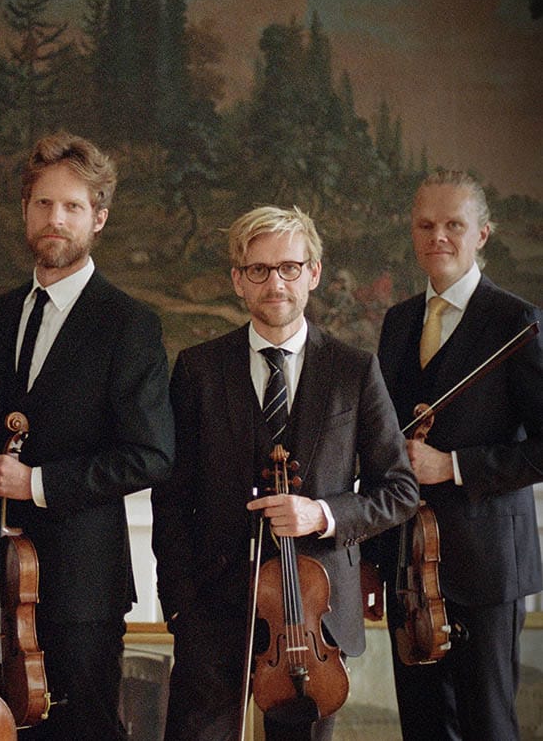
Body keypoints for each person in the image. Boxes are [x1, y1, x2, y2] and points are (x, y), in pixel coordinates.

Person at [151, 205, 419, 741]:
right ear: (238, 280)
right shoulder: (199, 368)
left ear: (313, 273)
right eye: (259, 270)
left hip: (315, 616)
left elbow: (400, 490)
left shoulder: (354, 369)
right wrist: (180, 605)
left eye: (289, 268)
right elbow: (172, 498)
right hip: (214, 608)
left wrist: (321, 514)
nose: (275, 283)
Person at [0, 131, 174, 740]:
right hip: (4, 574)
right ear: (25, 210)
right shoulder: (5, 312)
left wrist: (36, 483)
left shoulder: (129, 323)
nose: (55, 219)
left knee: (83, 730)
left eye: (72, 206)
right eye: (43, 203)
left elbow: (151, 455)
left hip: (84, 585)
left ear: (99, 218)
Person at [364, 169, 543, 740]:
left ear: (482, 234)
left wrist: (454, 466)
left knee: (488, 726)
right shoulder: (398, 322)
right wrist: (371, 558)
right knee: (422, 728)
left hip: (486, 566)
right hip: (409, 566)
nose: (437, 236)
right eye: (425, 225)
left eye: (453, 225)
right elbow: (379, 447)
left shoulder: (517, 322)